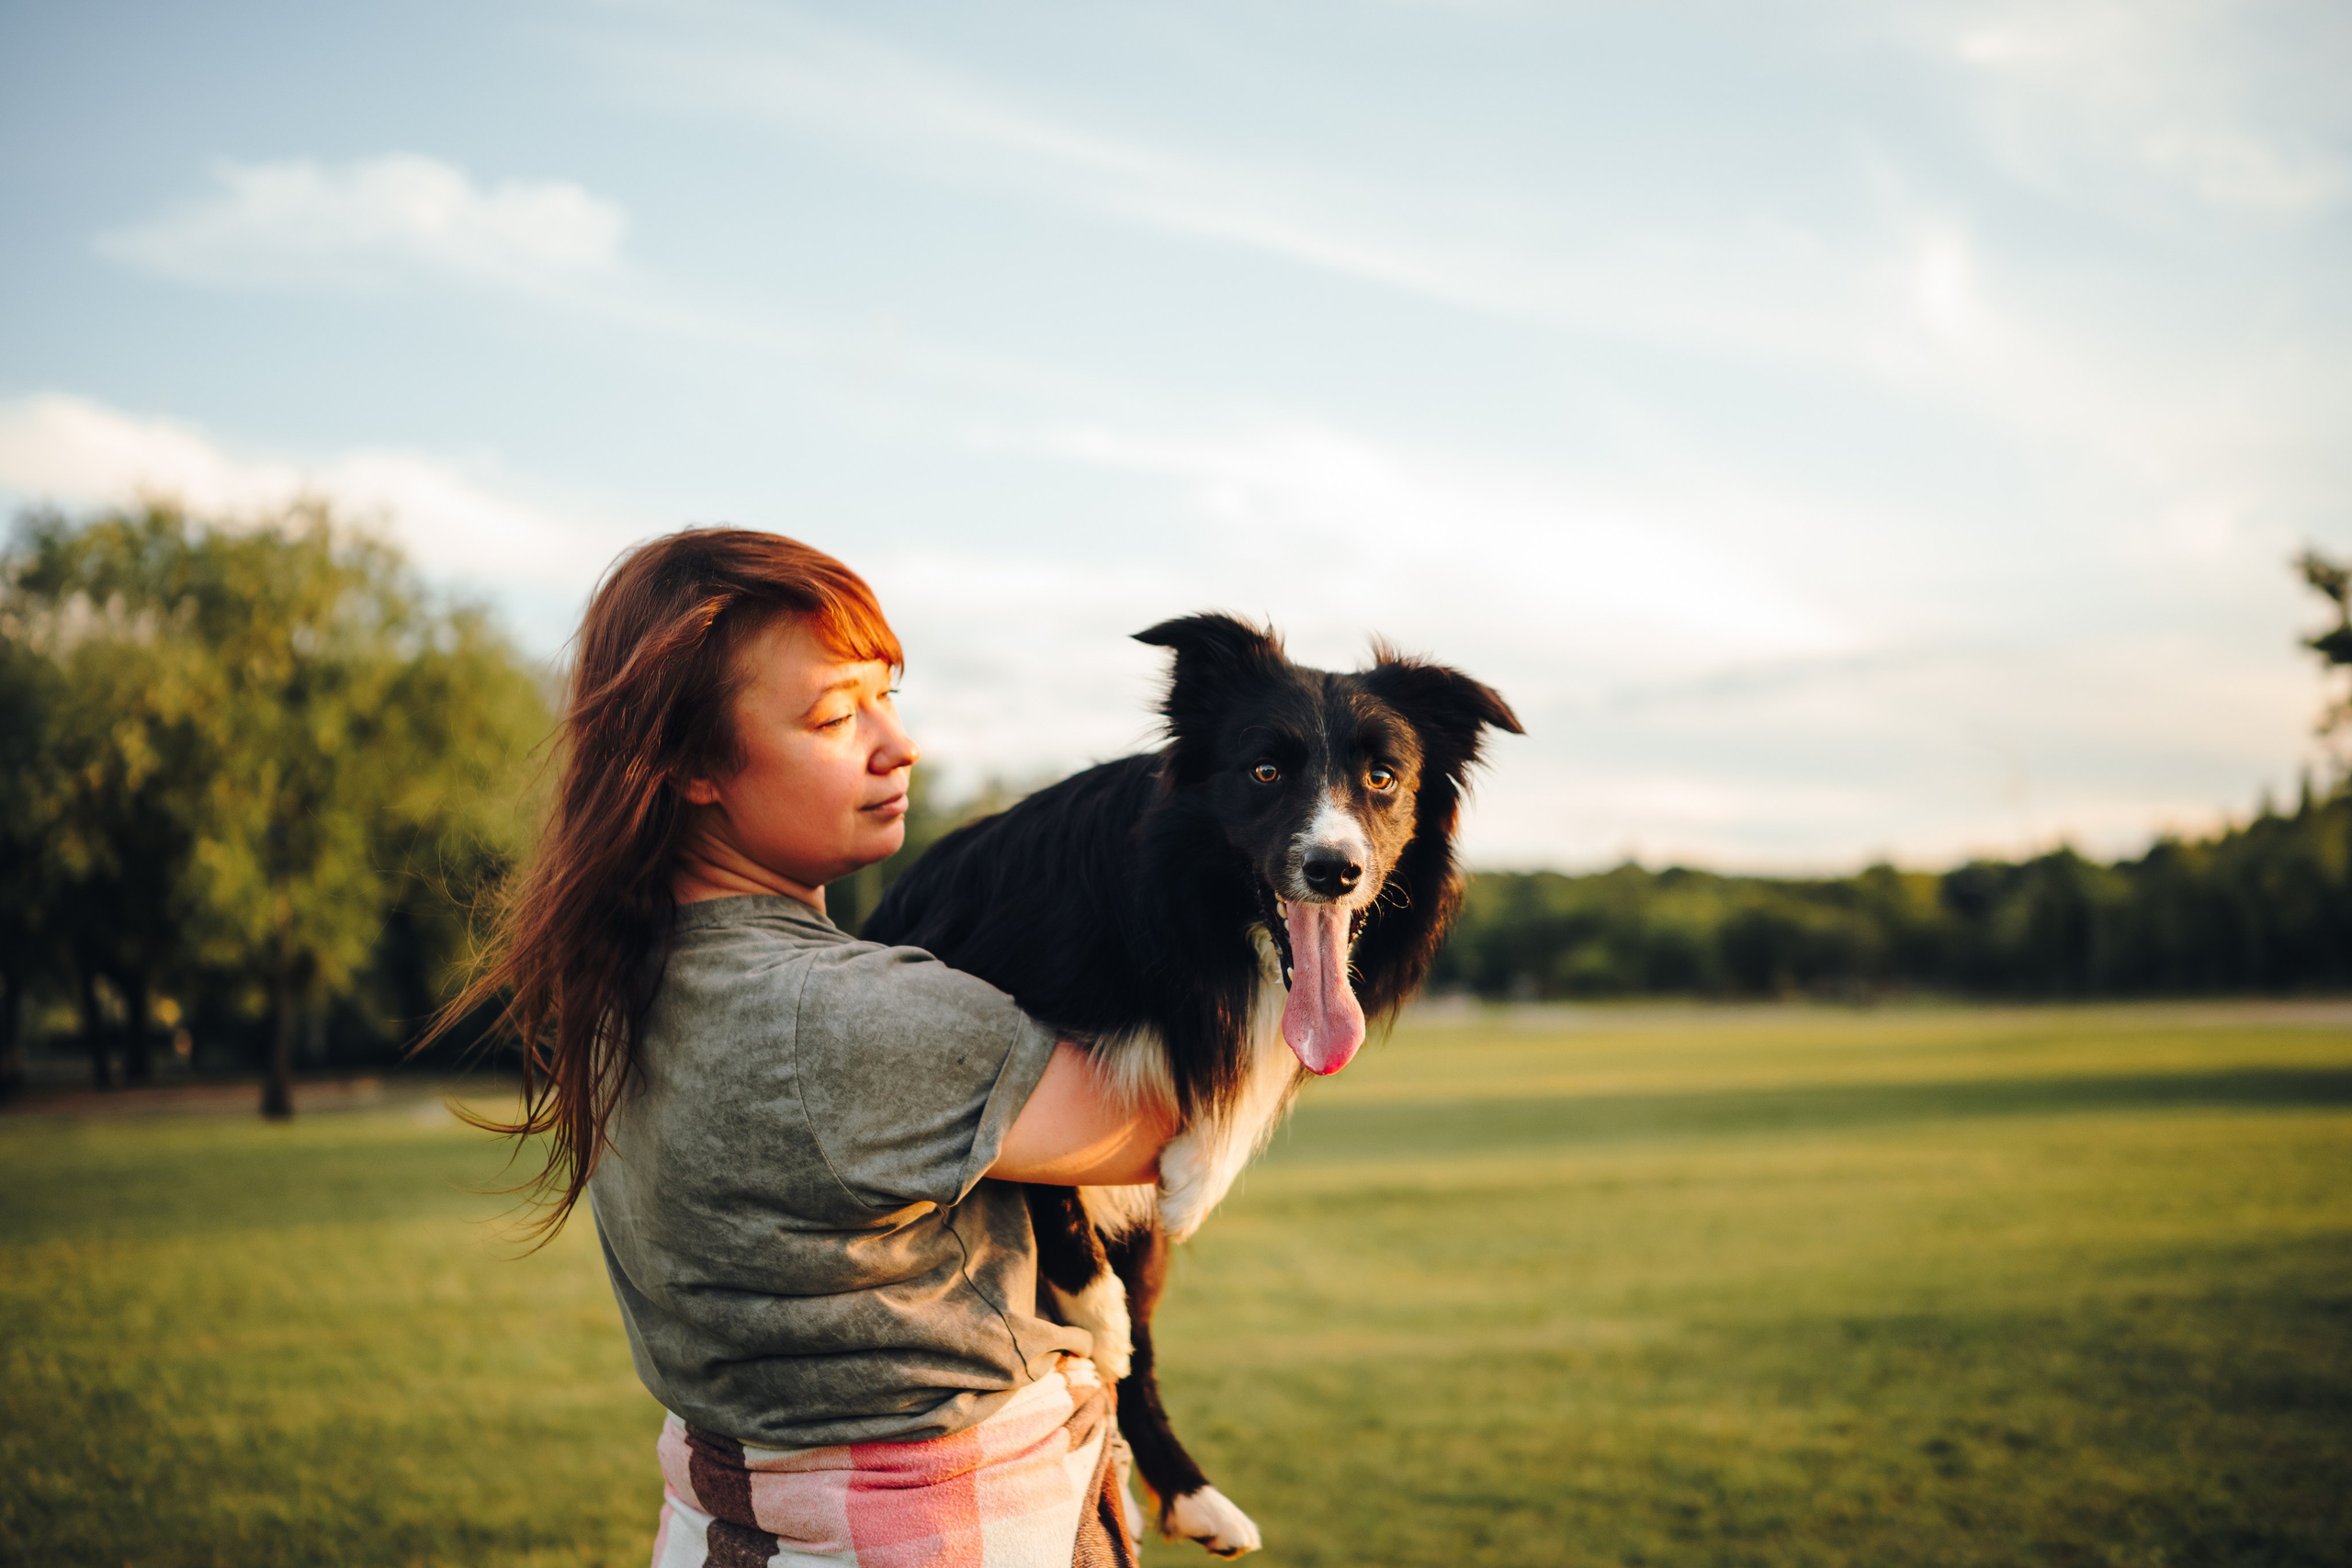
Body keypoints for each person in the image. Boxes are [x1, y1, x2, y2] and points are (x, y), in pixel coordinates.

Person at [435, 527, 1170, 1567]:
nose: (896, 744)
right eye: (834, 714)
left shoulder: (623, 980)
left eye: (889, 695)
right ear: (690, 765)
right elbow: (1157, 1131)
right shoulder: (843, 1017)